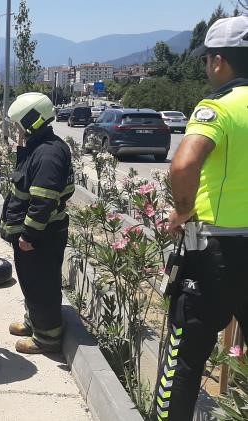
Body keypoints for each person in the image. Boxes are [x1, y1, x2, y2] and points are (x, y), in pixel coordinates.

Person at [154, 16, 248, 421]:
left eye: (207, 59)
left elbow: (183, 164)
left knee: (184, 357)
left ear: (219, 61)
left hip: (216, 250)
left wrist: (182, 209)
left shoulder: (218, 107)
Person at [0, 92, 74, 354]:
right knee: (31, 282)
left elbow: (43, 201)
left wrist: (29, 235)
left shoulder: (48, 154)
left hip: (41, 237)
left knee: (42, 285)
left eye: (18, 124)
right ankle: (34, 322)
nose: (16, 129)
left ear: (31, 121)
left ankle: (47, 338)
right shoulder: (38, 148)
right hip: (35, 236)